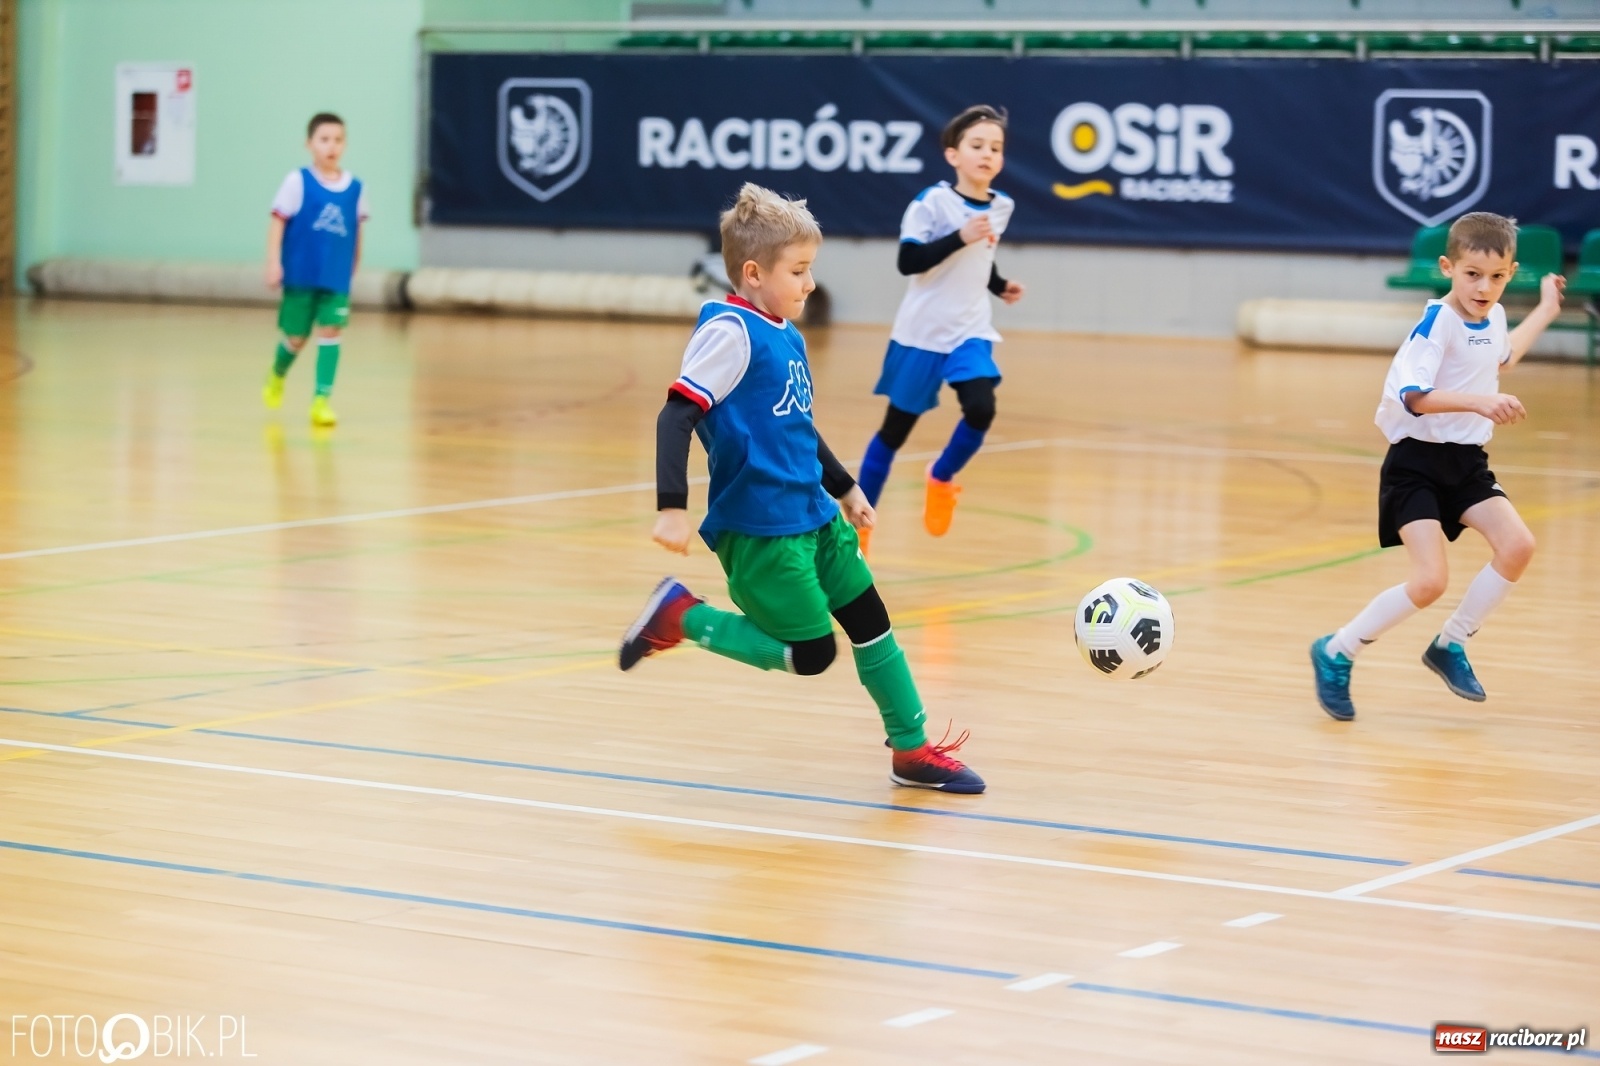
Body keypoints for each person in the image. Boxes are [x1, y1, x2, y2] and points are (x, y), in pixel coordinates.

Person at [619, 183, 985, 794]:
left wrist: (843, 487)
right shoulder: (729, 332)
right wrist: (671, 509)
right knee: (813, 654)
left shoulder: (783, 330)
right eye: (800, 270)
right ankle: (685, 617)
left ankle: (912, 749)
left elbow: (795, 425)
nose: (810, 283)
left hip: (813, 516)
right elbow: (675, 414)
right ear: (755, 273)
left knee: (872, 621)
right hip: (763, 529)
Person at [1311, 212, 1566, 720]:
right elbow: (1415, 398)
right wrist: (1480, 404)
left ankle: (1450, 644)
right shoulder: (1436, 324)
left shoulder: (1490, 316)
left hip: (1467, 463)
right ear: (1449, 266)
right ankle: (1337, 650)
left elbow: (1505, 355)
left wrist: (1547, 308)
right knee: (1429, 581)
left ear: (1510, 273)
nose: (1484, 286)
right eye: (1472, 274)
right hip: (1416, 465)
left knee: (1518, 546)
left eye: (1496, 277)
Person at [854, 104, 1024, 555]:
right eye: (977, 146)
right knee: (895, 431)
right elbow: (908, 262)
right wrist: (960, 237)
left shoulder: (1002, 206)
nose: (987, 154)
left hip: (970, 331)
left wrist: (998, 284)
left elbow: (979, 259)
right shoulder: (931, 203)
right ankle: (859, 523)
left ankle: (942, 477)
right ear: (953, 155)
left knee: (981, 408)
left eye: (996, 148)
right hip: (921, 335)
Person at [262, 112, 367, 427]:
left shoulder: (356, 188)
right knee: (296, 337)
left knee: (331, 332)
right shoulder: (297, 182)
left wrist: (356, 261)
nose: (331, 146)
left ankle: (321, 401)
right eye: (324, 140)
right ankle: (277, 373)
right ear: (309, 144)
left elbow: (357, 229)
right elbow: (278, 221)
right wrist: (273, 262)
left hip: (335, 277)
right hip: (300, 272)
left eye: (337, 140)